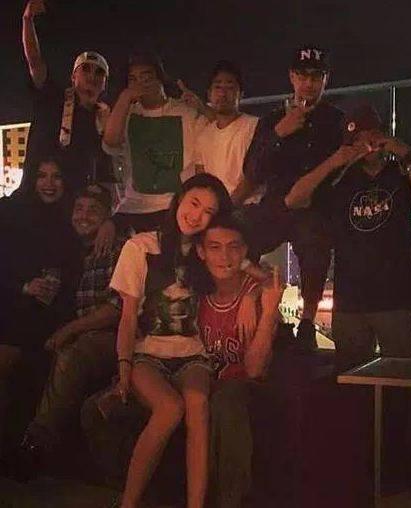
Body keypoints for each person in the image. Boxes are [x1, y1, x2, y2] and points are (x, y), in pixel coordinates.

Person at [109, 174, 245, 508]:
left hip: (192, 356)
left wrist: (259, 291)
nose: (196, 215)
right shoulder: (140, 247)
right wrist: (124, 366)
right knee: (170, 408)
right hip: (147, 355)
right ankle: (128, 503)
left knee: (198, 403)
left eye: (208, 212)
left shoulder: (205, 252)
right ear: (179, 199)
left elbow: (243, 265)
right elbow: (128, 317)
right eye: (194, 203)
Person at [285, 104, 411, 372]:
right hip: (350, 301)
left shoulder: (400, 174)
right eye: (356, 140)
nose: (366, 145)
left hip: (396, 298)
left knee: (405, 377)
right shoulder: (340, 181)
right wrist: (335, 161)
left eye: (371, 136)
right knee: (352, 380)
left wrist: (405, 153)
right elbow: (293, 199)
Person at [242, 45, 344, 350]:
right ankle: (248, 301)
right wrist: (279, 134)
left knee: (315, 240)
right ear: (291, 77)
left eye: (316, 76)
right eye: (302, 75)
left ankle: (308, 322)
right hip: (276, 204)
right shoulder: (273, 119)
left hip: (316, 206)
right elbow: (252, 170)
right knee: (240, 233)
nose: (309, 83)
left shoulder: (336, 120)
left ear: (325, 79)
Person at [21, 184, 123, 459]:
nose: (84, 216)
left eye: (93, 210)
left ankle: (37, 444)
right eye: (79, 208)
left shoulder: (118, 249)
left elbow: (116, 309)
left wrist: (68, 330)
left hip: (112, 335)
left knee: (72, 353)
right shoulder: (67, 248)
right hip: (73, 331)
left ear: (107, 217)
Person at [196, 212, 283, 508]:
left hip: (247, 390)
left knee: (226, 398)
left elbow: (255, 369)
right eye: (215, 247)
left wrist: (265, 311)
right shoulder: (195, 294)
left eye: (233, 247)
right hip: (204, 384)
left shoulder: (257, 293)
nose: (225, 257)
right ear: (201, 252)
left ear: (244, 251)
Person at [0, 156, 76, 458]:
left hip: (52, 314)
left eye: (56, 176)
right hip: (10, 303)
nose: (49, 183)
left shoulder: (71, 219)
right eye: (42, 176)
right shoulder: (10, 213)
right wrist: (24, 286)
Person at [104, 51, 212, 237]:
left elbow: (219, 131)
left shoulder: (185, 112)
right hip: (134, 206)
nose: (140, 84)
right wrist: (125, 97)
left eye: (146, 77)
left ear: (160, 78)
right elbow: (110, 143)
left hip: (175, 204)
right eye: (133, 79)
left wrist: (201, 107)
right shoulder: (127, 114)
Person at [20, 0, 114, 195]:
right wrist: (27, 20)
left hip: (75, 204)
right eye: (85, 69)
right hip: (34, 197)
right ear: (73, 77)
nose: (92, 76)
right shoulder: (52, 98)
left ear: (105, 84)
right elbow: (35, 62)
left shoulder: (106, 120)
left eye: (99, 72)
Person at [182, 61, 259, 205]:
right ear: (209, 94)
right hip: (216, 208)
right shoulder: (204, 136)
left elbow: (254, 178)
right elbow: (202, 180)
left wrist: (227, 208)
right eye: (217, 87)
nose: (223, 94)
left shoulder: (254, 126)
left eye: (230, 87)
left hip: (249, 206)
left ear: (241, 94)